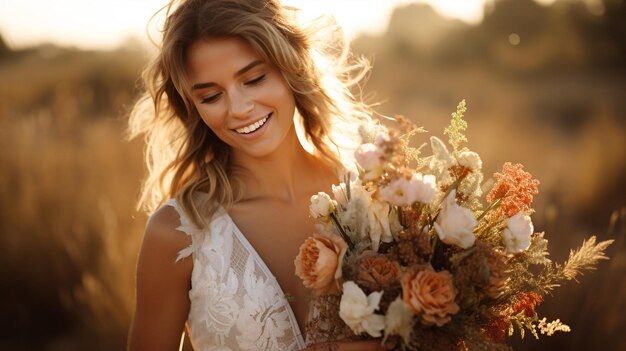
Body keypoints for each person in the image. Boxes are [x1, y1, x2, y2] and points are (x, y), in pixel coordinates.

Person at [126, 0, 380, 350]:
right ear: (193, 107)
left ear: (293, 67)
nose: (239, 109)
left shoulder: (378, 197)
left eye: (254, 79)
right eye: (212, 96)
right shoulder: (176, 233)